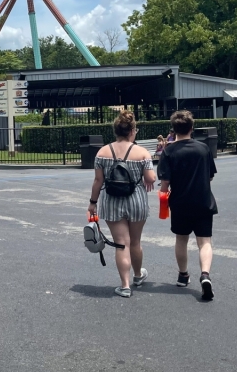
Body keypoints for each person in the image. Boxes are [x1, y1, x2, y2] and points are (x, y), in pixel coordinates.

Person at [87, 111, 155, 298]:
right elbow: (150, 178)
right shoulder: (142, 152)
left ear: (116, 130)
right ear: (132, 131)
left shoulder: (102, 152)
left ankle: (125, 285)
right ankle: (138, 275)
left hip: (111, 201)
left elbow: (98, 181)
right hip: (137, 200)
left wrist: (92, 203)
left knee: (121, 244)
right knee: (135, 241)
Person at [157, 110, 218, 301]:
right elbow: (210, 176)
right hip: (203, 200)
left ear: (173, 130)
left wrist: (163, 199)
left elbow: (165, 184)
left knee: (181, 239)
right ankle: (205, 275)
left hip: (180, 202)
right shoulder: (203, 149)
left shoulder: (168, 151)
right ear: (192, 128)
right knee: (205, 241)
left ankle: (183, 275)